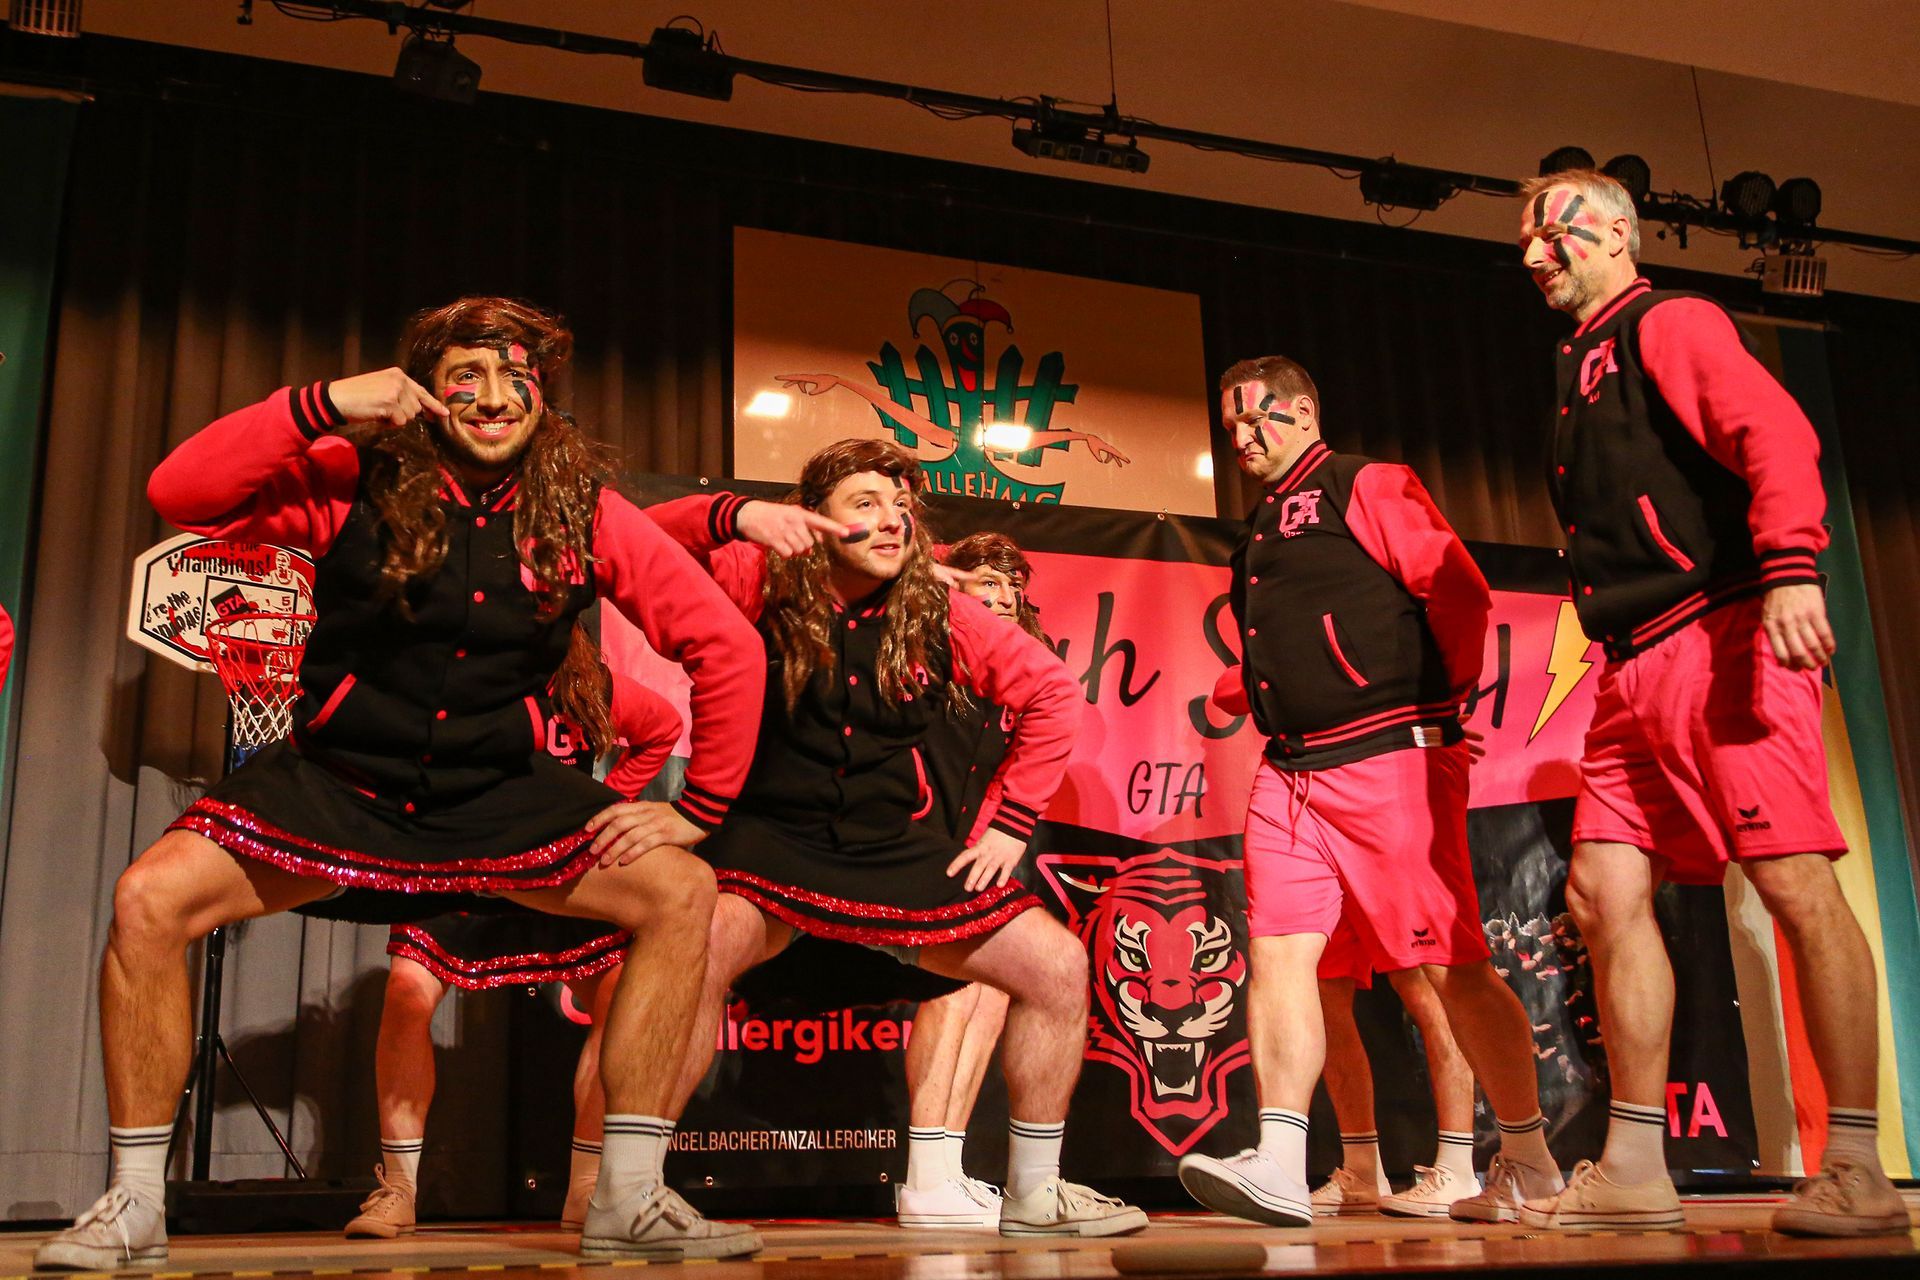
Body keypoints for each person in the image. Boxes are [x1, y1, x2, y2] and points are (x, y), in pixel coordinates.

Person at [34, 297, 769, 1270]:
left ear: (542, 398)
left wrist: (697, 810)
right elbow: (182, 489)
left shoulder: (582, 514)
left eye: (516, 378)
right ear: (424, 391)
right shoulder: (352, 478)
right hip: (340, 779)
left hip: (497, 791)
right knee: (147, 899)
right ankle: (133, 1201)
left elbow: (726, 645)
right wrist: (321, 405)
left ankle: (628, 1193)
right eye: (468, 375)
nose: (495, 396)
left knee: (683, 891)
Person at [1513, 170, 1904, 1235]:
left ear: (1617, 232)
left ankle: (1858, 1164)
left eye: (1554, 231)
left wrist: (1791, 566)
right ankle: (1637, 1164)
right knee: (1601, 893)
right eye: (1526, 241)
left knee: (1792, 880)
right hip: (1628, 665)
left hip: (1722, 634)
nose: (1536, 254)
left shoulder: (1669, 321)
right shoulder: (1578, 365)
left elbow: (1773, 434)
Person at [646, 442, 1147, 1238]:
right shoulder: (757, 578)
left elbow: (1052, 694)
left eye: (901, 508)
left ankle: (1035, 1193)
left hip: (884, 847)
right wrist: (737, 515)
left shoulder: (939, 612)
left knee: (1056, 965)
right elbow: (639, 542)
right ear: (813, 517)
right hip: (767, 835)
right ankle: (632, 1191)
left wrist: (1011, 823)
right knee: (696, 945)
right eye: (867, 503)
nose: (892, 520)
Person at [1176, 357, 1563, 1228]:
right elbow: (1298, 638)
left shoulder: (1367, 483)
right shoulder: (1263, 528)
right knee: (1281, 955)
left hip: (1388, 759)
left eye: (1258, 418)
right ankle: (1279, 1160)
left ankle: (1530, 1159)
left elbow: (1457, 590)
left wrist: (1441, 703)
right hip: (1288, 770)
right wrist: (1241, 690)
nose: (1242, 438)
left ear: (1305, 411)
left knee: (1453, 968)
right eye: (1231, 426)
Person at [345, 627, 685, 1238]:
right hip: (465, 859)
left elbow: (661, 727)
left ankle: (588, 1187)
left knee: (620, 996)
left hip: (554, 866)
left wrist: (603, 806)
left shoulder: (586, 683)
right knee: (404, 994)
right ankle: (399, 1188)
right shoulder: (456, 669)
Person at [1213, 666, 1483, 1219]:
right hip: (1311, 811)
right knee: (1324, 992)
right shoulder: (1285, 635)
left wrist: (1431, 725)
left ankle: (1458, 1167)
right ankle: (1362, 1168)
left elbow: (1446, 655)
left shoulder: (1380, 630)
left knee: (1430, 985)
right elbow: (1227, 692)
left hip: (1389, 797)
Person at [896, 532, 1042, 1228]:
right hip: (919, 841)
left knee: (992, 990)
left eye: (1012, 584)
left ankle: (946, 1169)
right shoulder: (926, 645)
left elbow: (1017, 772)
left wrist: (995, 841)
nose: (1003, 595)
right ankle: (924, 1179)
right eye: (987, 580)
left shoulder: (1024, 664)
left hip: (983, 848)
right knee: (953, 989)